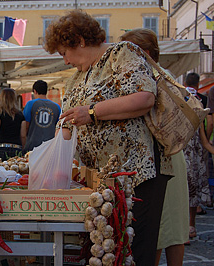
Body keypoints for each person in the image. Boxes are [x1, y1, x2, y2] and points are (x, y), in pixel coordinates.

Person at [44, 10, 172, 266]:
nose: (65, 61)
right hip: (100, 184)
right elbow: (68, 122)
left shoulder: (122, 53)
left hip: (135, 176)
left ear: (79, 40)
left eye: (63, 52)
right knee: (106, 253)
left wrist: (91, 112)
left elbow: (144, 97)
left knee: (136, 251)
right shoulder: (76, 79)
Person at [120, 28, 189, 266]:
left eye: (127, 52)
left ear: (145, 53)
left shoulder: (150, 76)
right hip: (171, 155)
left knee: (159, 227)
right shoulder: (166, 75)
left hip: (161, 158)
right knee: (172, 226)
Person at [183, 72, 213, 242]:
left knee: (191, 196)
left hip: (193, 161)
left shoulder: (198, 122)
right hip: (186, 160)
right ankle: (187, 227)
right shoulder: (179, 121)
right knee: (185, 195)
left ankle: (190, 226)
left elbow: (205, 142)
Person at [22, 80, 61, 153]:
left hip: (32, 146)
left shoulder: (30, 104)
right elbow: (58, 128)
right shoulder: (56, 107)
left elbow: (25, 126)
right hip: (50, 147)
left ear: (35, 91)